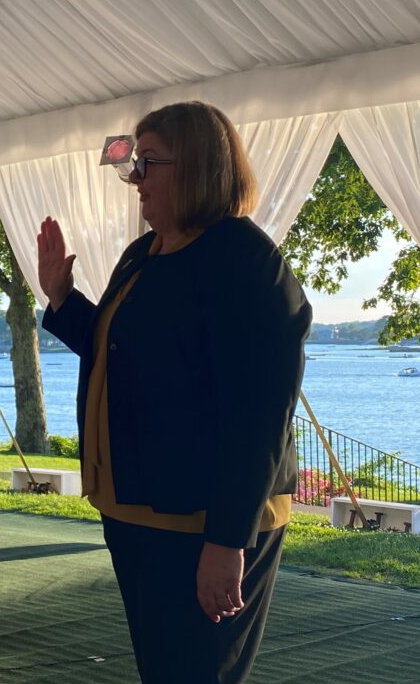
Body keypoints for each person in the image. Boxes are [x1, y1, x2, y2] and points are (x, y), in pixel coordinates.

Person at [37, 101, 312, 683]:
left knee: (198, 673)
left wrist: (226, 541)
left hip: (206, 520)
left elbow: (260, 413)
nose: (133, 177)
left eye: (147, 162)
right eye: (132, 162)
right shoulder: (144, 253)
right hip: (136, 505)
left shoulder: (243, 259)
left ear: (198, 166)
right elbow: (122, 350)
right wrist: (63, 299)